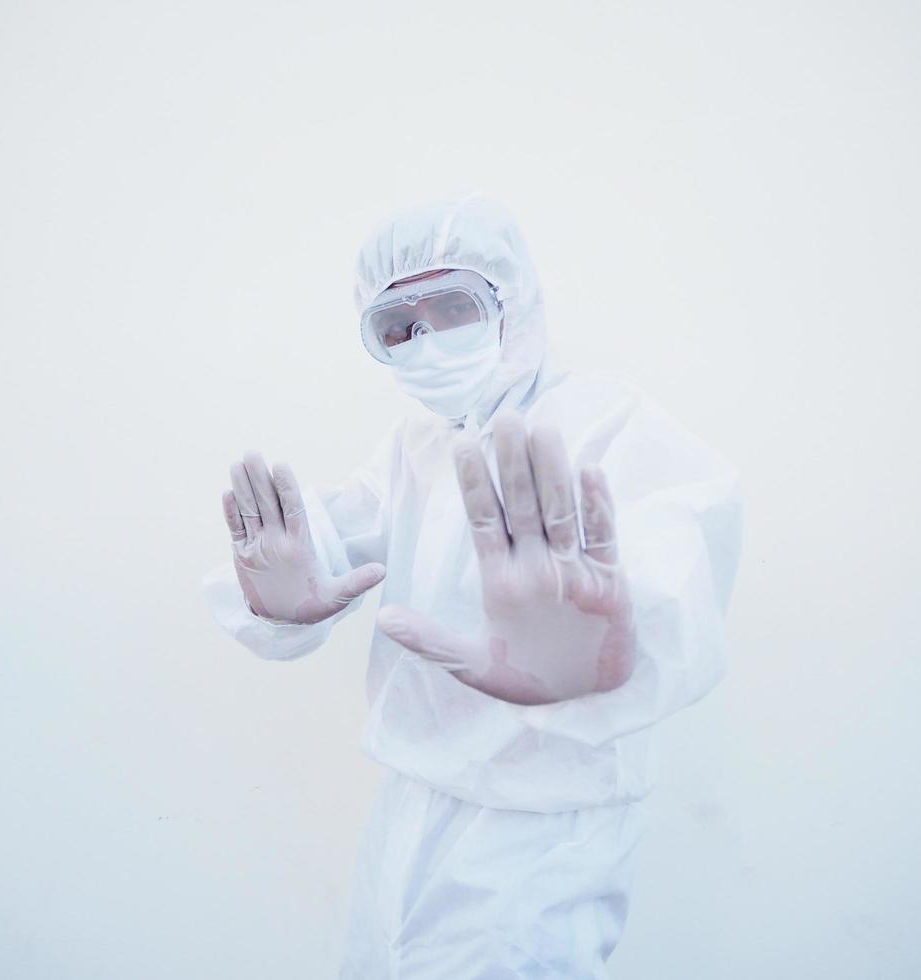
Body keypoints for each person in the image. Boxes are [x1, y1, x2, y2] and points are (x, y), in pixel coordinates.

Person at [202, 193, 742, 978]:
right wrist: (275, 598)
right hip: (413, 793)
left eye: (450, 308)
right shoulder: (417, 445)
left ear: (510, 300)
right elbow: (333, 531)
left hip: (548, 814)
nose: (423, 342)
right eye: (396, 327)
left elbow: (683, 542)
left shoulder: (606, 420)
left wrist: (607, 645)